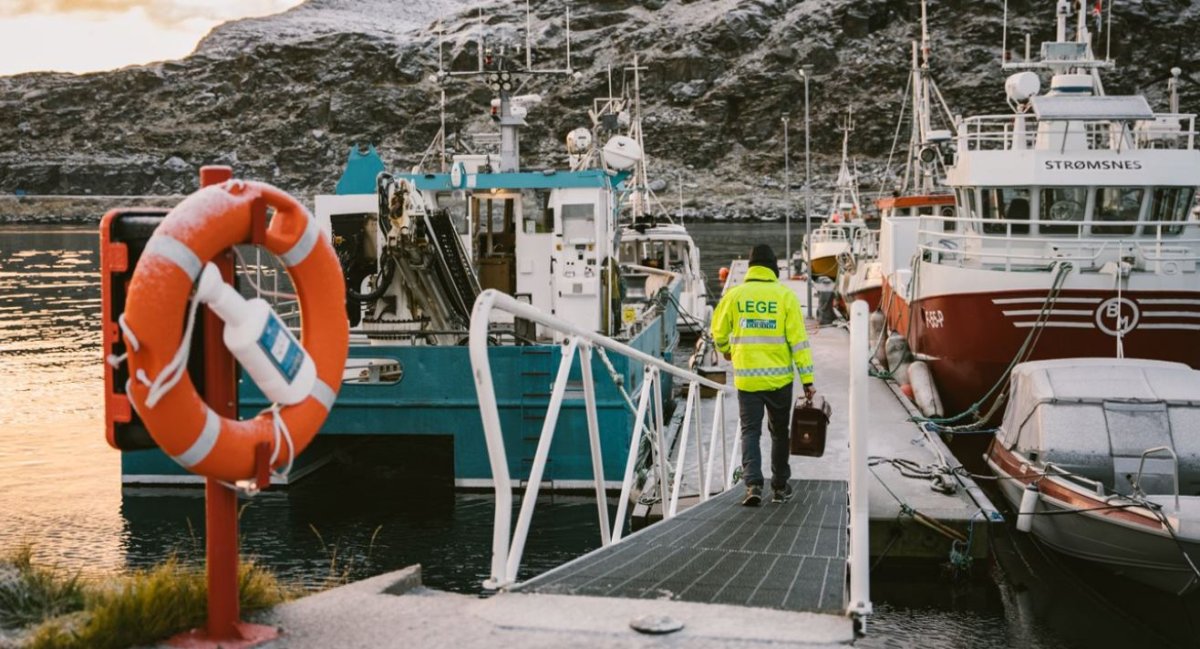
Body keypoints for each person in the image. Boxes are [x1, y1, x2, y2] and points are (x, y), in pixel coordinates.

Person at [711, 244, 815, 507]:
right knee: (780, 433)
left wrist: (725, 351)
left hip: (747, 378)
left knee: (750, 432)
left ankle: (753, 485)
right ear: (773, 268)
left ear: (751, 267)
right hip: (780, 380)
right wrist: (807, 380)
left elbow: (718, 332)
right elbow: (799, 343)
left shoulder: (735, 296)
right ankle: (779, 488)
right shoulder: (785, 296)